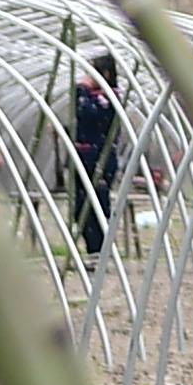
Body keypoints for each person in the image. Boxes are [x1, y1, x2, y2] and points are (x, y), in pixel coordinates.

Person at [71, 48, 125, 260]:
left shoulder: (109, 99)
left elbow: (89, 114)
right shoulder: (93, 97)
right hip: (84, 158)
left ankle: (100, 251)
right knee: (80, 207)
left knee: (98, 205)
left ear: (106, 74)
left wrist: (82, 90)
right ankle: (92, 250)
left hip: (100, 160)